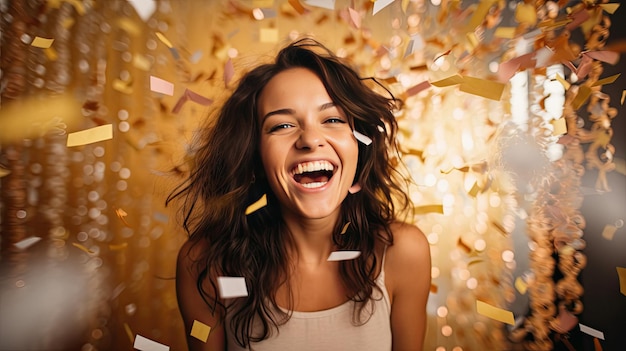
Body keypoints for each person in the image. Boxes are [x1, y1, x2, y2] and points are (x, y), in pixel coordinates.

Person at [167, 38, 431, 351]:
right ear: (255, 157)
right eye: (281, 126)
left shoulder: (403, 254)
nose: (310, 139)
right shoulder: (205, 265)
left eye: (332, 119)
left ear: (358, 144)